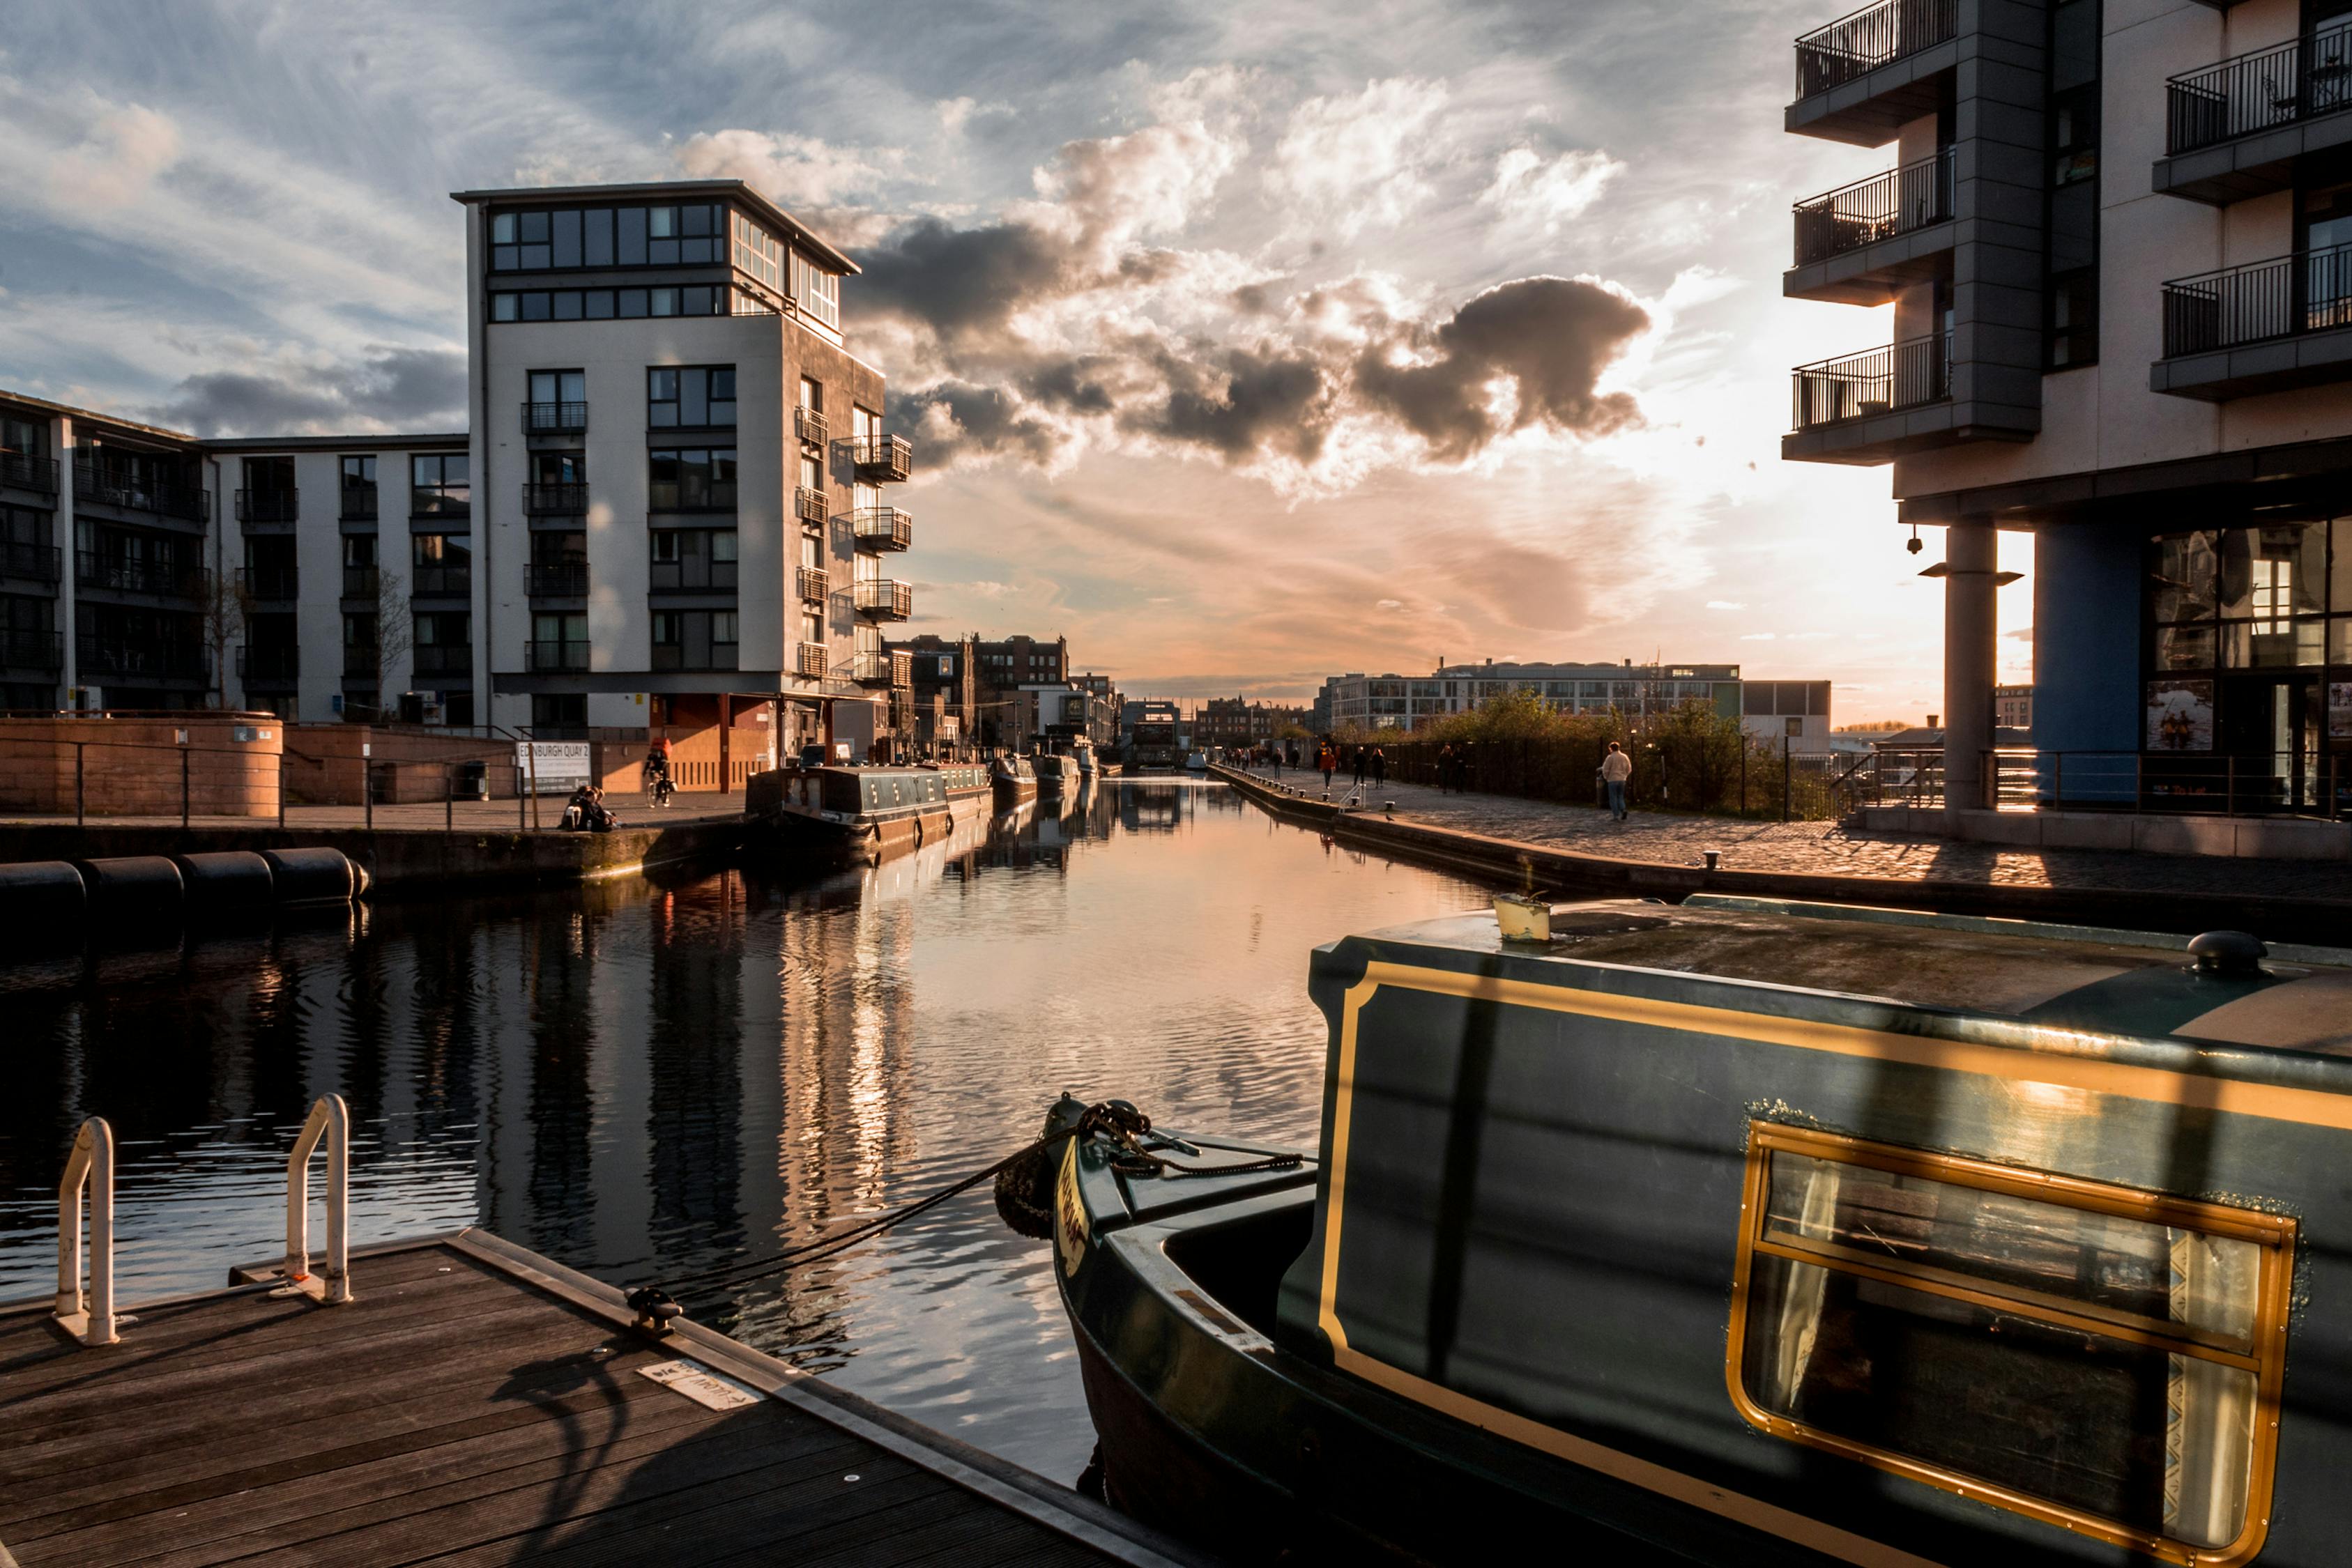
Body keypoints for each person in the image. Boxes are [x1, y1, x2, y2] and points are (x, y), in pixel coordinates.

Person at [1599, 740, 1633, 821]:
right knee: (1620, 796)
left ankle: (1616, 815)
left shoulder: (1610, 758)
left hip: (1613, 779)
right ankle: (1623, 809)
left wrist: (1607, 777)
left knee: (1613, 797)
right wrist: (1625, 775)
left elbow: (1606, 769)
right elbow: (1629, 768)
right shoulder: (1624, 757)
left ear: (1611, 749)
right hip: (1622, 779)